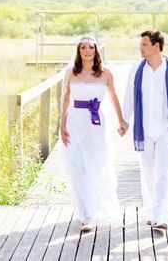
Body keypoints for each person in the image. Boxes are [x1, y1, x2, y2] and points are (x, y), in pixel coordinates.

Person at [123, 30, 168, 230]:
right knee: (148, 173)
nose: (140, 48)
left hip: (167, 130)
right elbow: (128, 98)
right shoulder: (136, 70)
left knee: (165, 171)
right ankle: (151, 212)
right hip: (143, 130)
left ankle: (161, 217)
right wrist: (124, 121)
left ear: (156, 46)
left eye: (144, 44)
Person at [60, 36, 128, 232]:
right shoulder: (71, 72)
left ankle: (98, 206)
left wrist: (121, 120)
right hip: (75, 122)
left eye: (91, 47)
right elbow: (65, 99)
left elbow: (114, 97)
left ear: (96, 51)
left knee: (97, 165)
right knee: (77, 166)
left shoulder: (105, 73)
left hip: (97, 124)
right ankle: (86, 215)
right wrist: (61, 124)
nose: (87, 51)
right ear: (79, 51)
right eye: (83, 48)